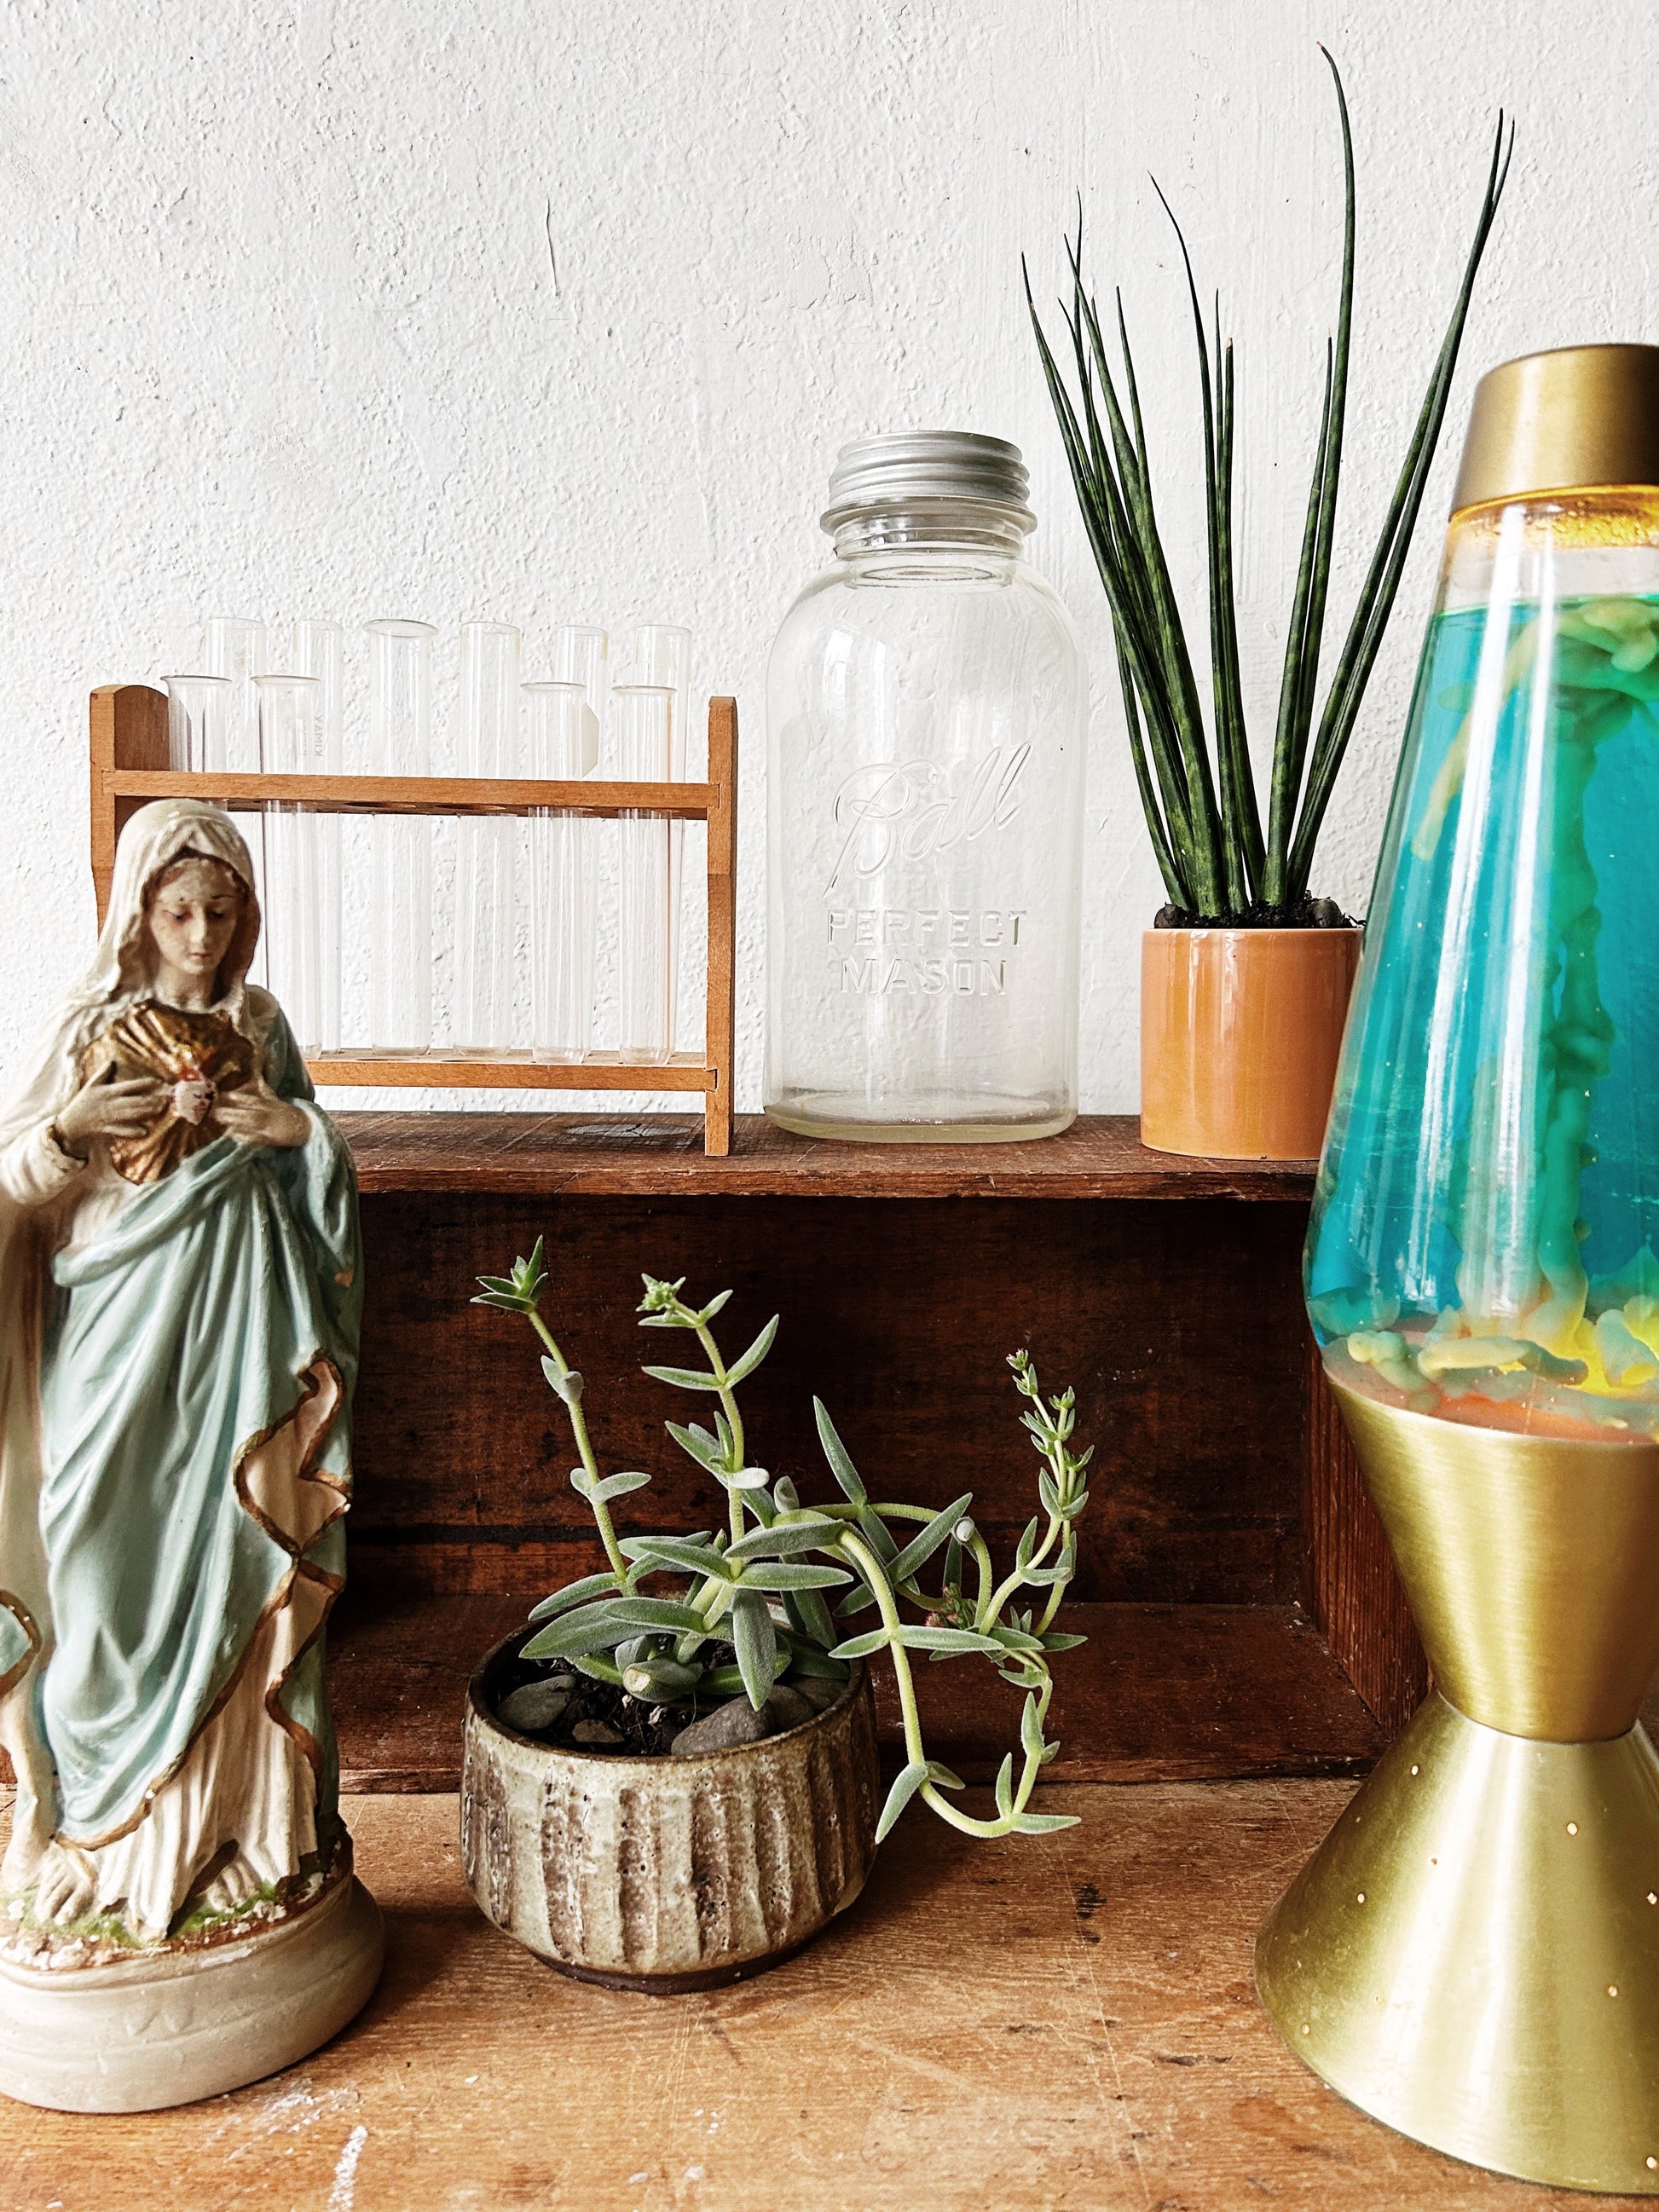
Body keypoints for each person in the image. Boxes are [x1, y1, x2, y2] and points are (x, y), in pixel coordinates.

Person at [0, 798, 361, 1952]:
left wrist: (292, 1134)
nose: (202, 937)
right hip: (112, 1327)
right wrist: (68, 1128)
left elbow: (319, 1169)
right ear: (138, 915)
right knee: (93, 1562)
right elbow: (13, 1183)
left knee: (237, 1548)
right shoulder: (87, 1026)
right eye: (178, 913)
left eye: (222, 912)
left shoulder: (260, 1023)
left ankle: (232, 1826)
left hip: (244, 1337)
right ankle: (97, 1832)